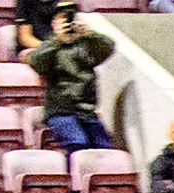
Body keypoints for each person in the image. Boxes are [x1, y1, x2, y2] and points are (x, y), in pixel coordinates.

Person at [26, 4, 116, 154]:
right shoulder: (50, 46)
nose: (67, 24)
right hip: (60, 111)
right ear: (54, 23)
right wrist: (57, 40)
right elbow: (36, 62)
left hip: (86, 110)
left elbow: (109, 48)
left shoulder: (84, 46)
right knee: (78, 142)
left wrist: (91, 34)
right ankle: (75, 175)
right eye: (62, 20)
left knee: (105, 146)